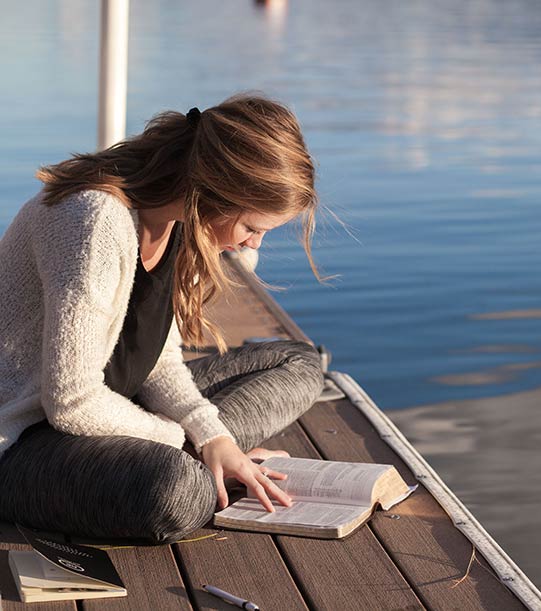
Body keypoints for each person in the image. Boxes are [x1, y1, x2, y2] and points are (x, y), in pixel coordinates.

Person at [0, 94, 325, 544]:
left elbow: (158, 359)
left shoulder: (178, 223)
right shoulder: (93, 221)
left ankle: (215, 460)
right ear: (213, 191)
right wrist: (183, 440)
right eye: (252, 228)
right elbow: (71, 402)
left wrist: (213, 437)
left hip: (115, 410)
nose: (254, 246)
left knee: (299, 363)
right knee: (176, 491)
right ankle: (198, 468)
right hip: (24, 440)